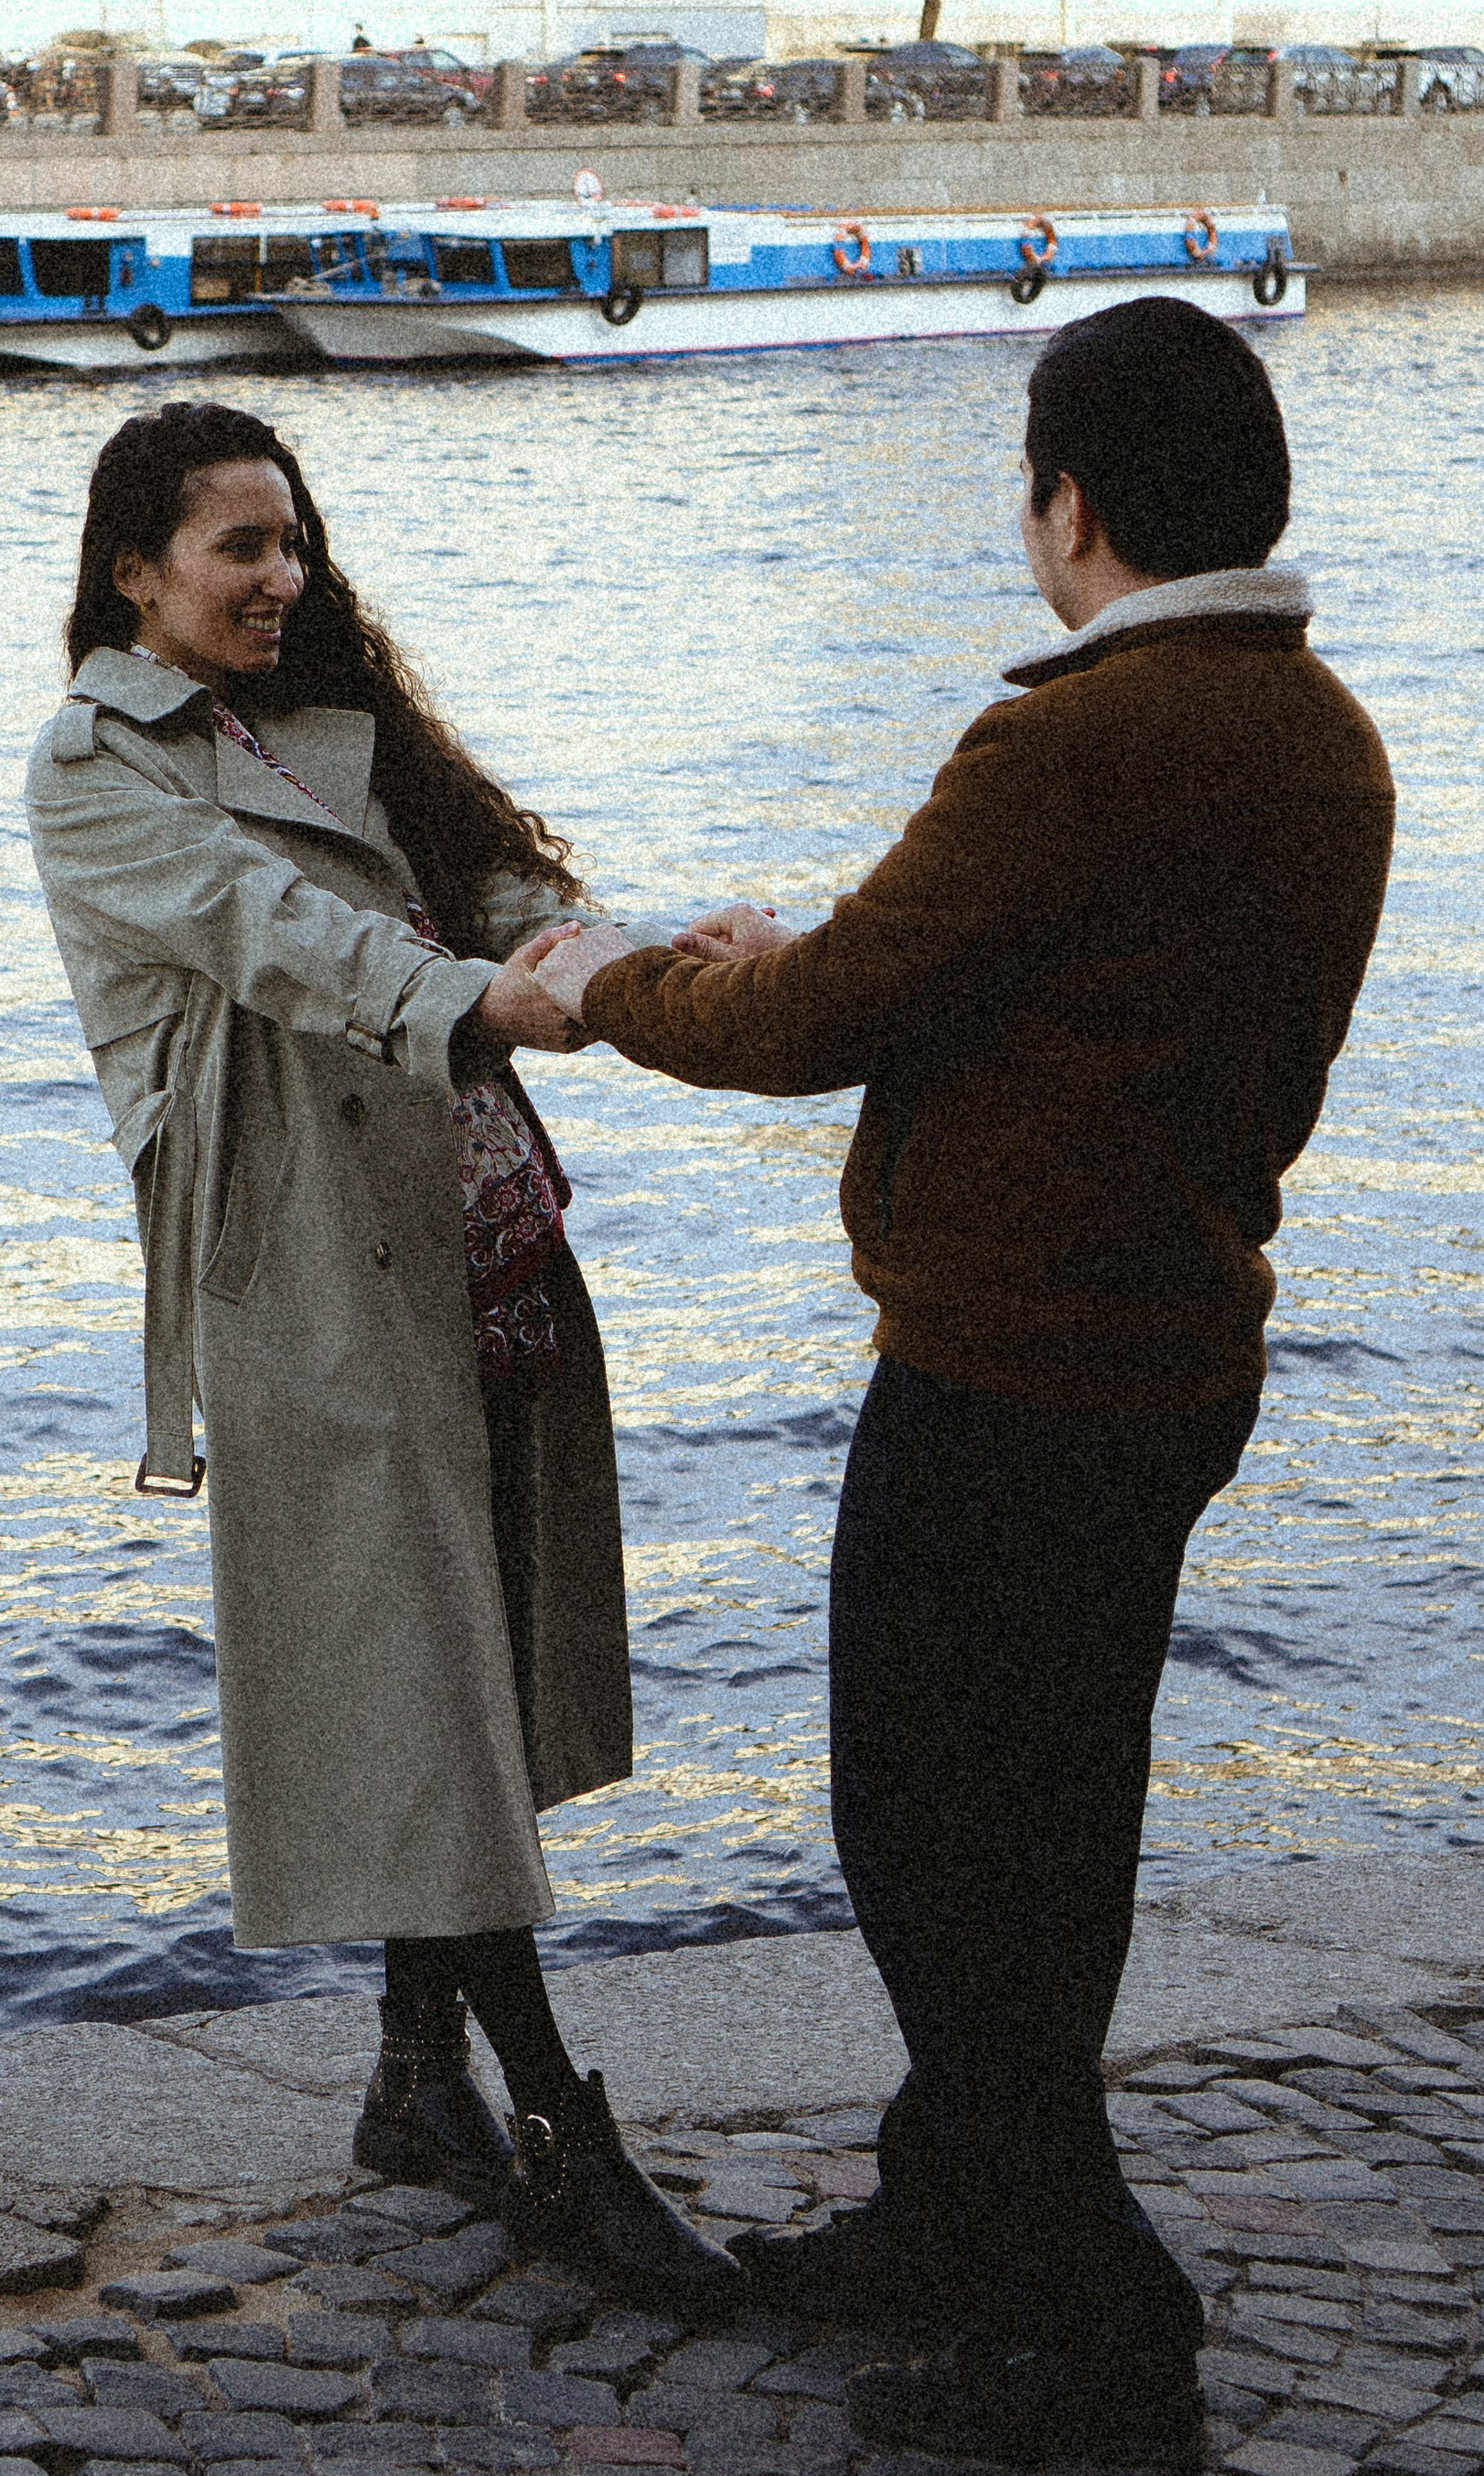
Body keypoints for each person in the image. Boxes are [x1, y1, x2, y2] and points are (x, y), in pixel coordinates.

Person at [534, 299, 1394, 2465]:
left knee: (932, 1836)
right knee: (1049, 1817)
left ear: (1069, 504)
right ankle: (950, 2205)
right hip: (1168, 1338)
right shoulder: (1321, 734)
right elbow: (1054, 982)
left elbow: (827, 1015)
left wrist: (613, 980)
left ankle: (1087, 2303)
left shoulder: (1077, 739)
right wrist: (816, 960)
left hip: (1013, 1359)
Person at [27, 399, 739, 2318]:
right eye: (236, 548)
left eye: (292, 543)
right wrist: (482, 1000)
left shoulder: (352, 721)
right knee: (430, 1700)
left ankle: (411, 2090)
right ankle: (565, 2140)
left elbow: (488, 876)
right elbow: (276, 940)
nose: (278, 577)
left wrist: (621, 959)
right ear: (131, 572)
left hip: (482, 1231)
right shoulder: (93, 771)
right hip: (312, 1285)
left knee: (474, 1674)